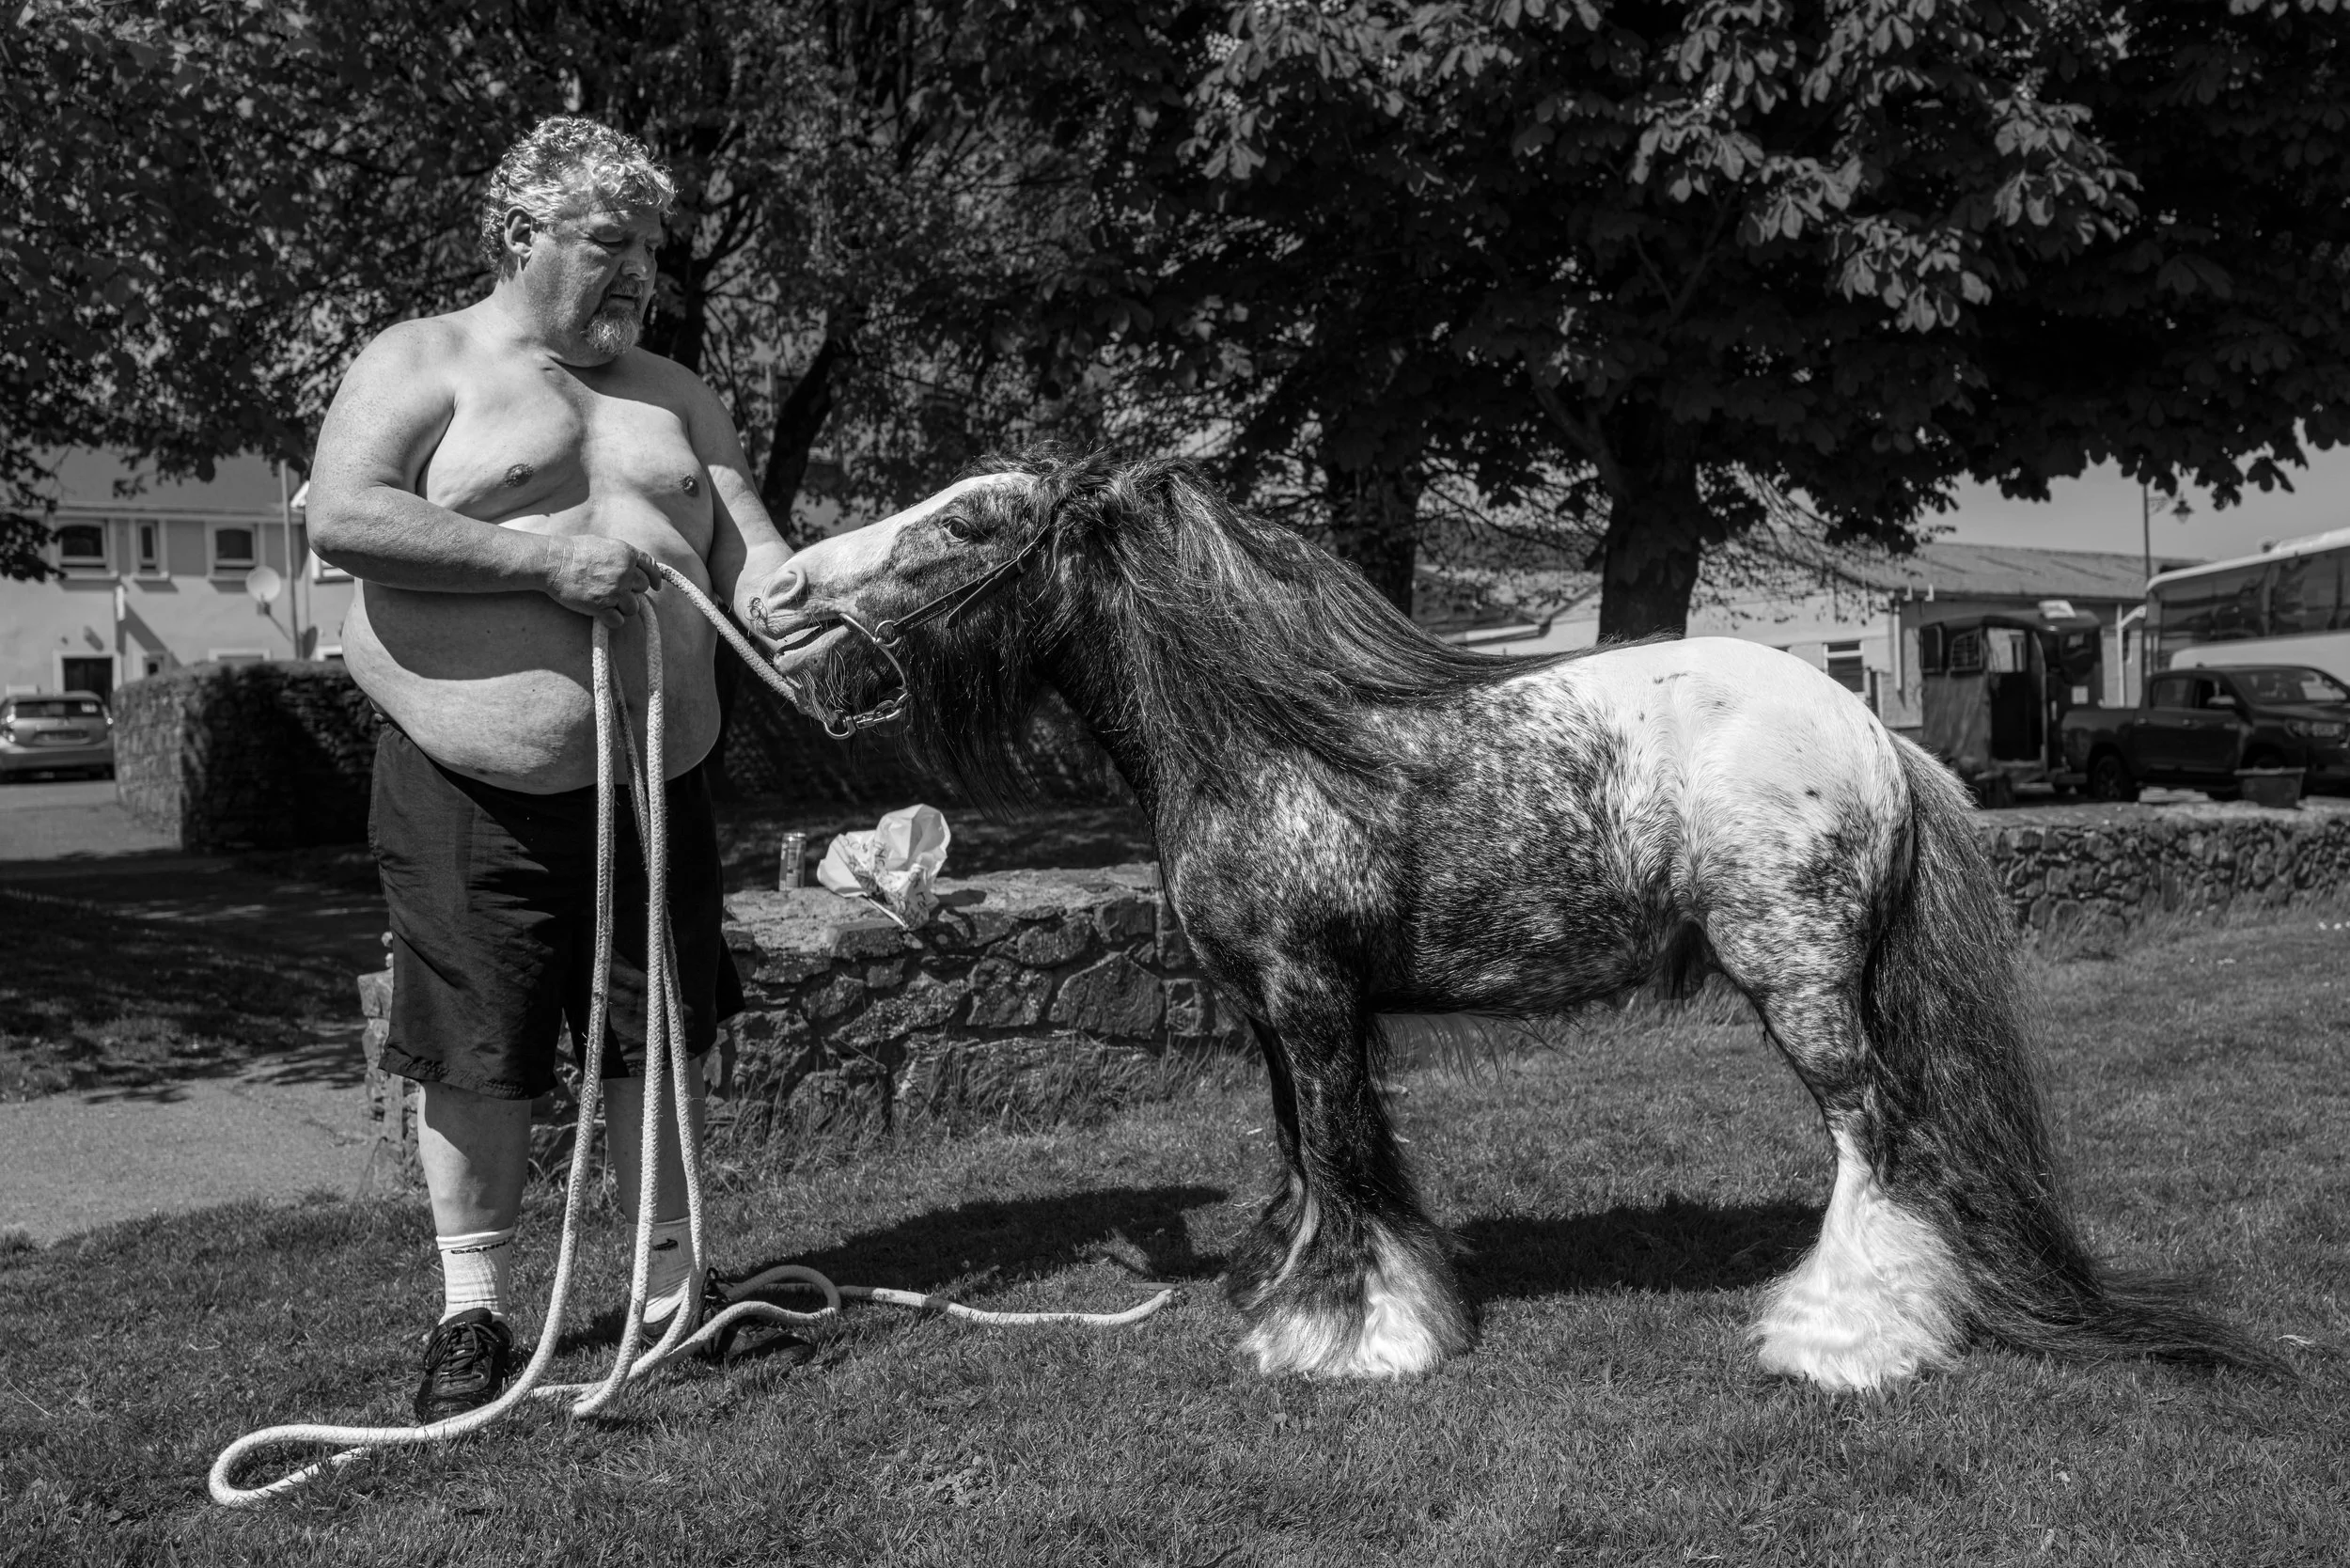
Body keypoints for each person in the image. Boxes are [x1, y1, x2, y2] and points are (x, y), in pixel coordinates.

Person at [307, 117, 798, 1421]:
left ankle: (671, 1288)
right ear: (522, 233)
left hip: (658, 778)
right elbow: (345, 515)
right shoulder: (422, 360)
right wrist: (541, 562)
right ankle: (472, 1312)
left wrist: (836, 593)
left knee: (659, 1032)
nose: (639, 272)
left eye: (651, 249)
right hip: (470, 783)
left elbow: (755, 558)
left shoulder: (677, 392)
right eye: (609, 242)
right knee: (480, 1046)